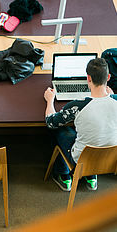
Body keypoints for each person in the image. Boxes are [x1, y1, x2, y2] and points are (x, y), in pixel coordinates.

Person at [44, 58, 117, 192]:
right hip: (111, 159)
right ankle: (91, 175)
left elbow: (50, 122)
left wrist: (50, 101)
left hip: (82, 159)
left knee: (62, 130)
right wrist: (111, 96)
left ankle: (63, 173)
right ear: (108, 77)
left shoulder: (78, 105)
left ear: (88, 78)